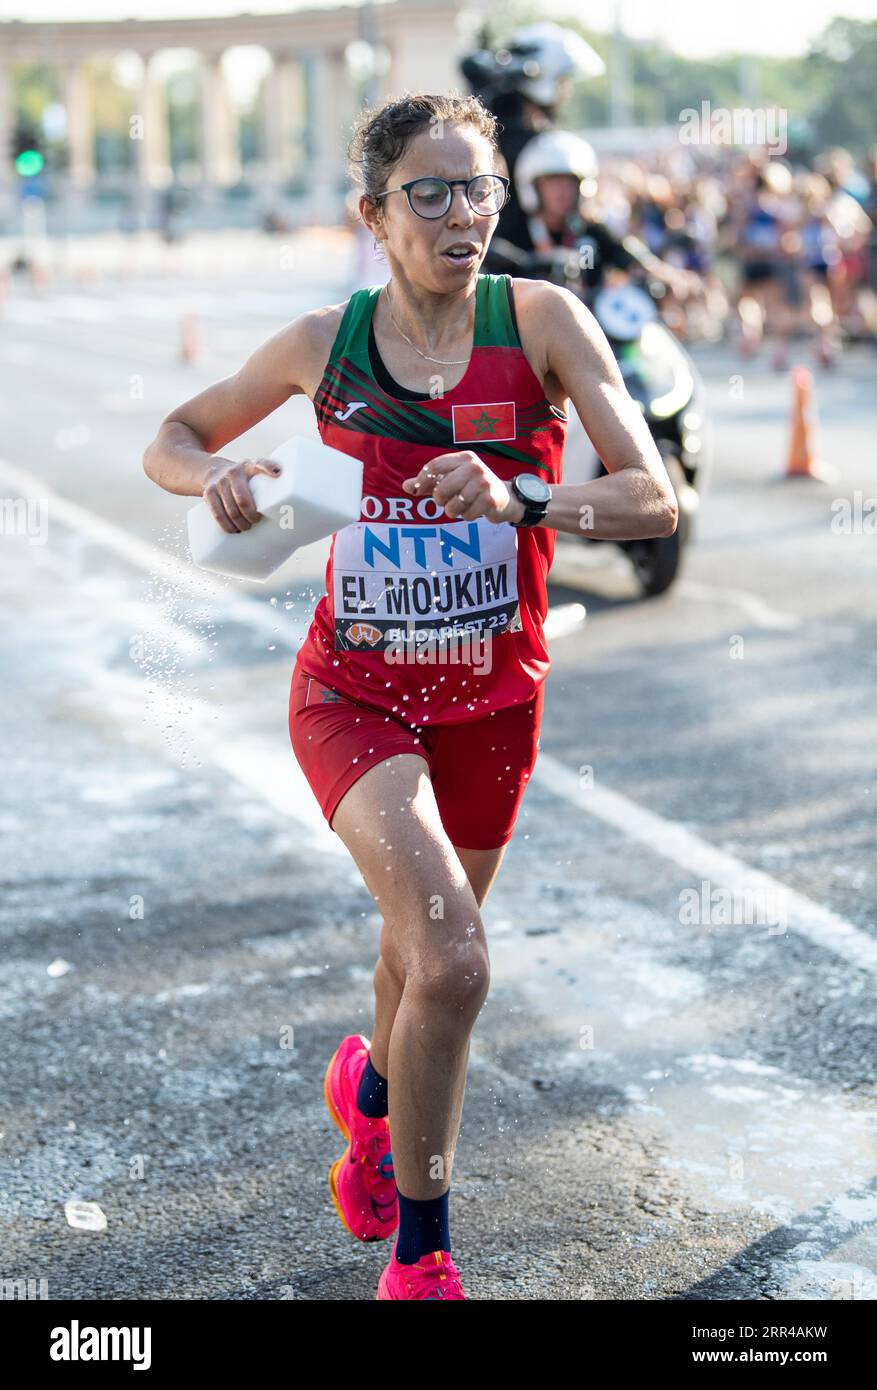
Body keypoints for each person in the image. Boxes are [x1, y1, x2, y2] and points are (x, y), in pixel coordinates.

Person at [141, 91, 677, 1300]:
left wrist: (521, 498)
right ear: (372, 214)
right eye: (426, 193)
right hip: (354, 696)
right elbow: (170, 434)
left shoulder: (542, 323)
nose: (460, 215)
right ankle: (422, 1258)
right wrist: (218, 470)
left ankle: (372, 1092)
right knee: (455, 960)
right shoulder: (321, 344)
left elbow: (654, 500)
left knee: (411, 956)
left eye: (476, 188)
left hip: (493, 700)